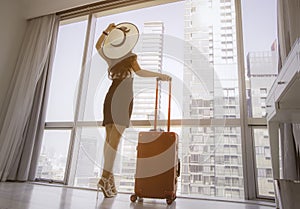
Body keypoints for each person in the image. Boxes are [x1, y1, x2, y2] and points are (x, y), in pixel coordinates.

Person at [95, 22, 171, 198]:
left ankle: (109, 182)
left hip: (111, 95)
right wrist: (160, 75)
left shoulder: (111, 57)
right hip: (123, 96)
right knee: (114, 142)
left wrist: (107, 31)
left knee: (109, 142)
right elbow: (141, 72)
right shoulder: (130, 57)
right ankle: (105, 178)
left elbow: (98, 46)